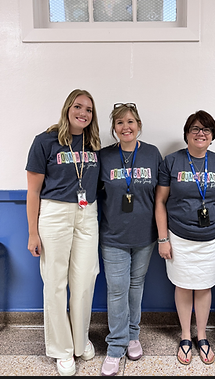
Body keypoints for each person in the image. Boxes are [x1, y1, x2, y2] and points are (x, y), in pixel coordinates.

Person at [26, 89, 101, 376]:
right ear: (68, 107)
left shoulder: (93, 144)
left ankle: (80, 341)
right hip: (55, 213)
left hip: (87, 213)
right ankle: (61, 349)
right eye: (78, 106)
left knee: (84, 280)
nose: (83, 113)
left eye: (89, 110)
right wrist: (33, 233)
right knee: (55, 283)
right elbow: (33, 191)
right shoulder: (45, 141)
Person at [155, 110, 215, 366]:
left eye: (206, 130)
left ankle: (202, 336)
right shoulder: (171, 161)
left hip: (211, 239)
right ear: (187, 134)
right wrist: (163, 238)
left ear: (212, 136)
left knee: (204, 285)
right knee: (183, 284)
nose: (201, 133)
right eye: (195, 129)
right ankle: (186, 337)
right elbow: (160, 202)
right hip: (179, 237)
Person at [98, 103, 162, 376]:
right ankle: (115, 347)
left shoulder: (152, 153)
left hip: (144, 236)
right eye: (120, 122)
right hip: (113, 236)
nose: (126, 127)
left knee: (136, 286)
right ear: (114, 128)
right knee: (117, 289)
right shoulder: (104, 156)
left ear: (139, 125)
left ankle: (132, 335)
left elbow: (161, 196)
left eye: (131, 121)